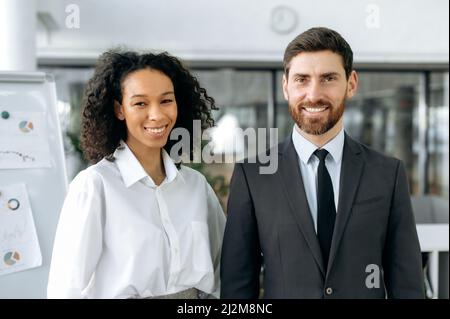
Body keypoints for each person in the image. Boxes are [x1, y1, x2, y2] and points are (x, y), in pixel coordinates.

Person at [220, 27, 424, 299]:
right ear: (286, 87)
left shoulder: (388, 174)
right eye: (302, 80)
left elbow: (407, 282)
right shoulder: (252, 176)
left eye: (328, 78)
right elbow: (237, 286)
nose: (313, 94)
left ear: (351, 83)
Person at [47, 50, 226, 299]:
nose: (157, 115)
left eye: (166, 101)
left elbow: (221, 272)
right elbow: (66, 290)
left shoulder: (196, 186)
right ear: (120, 109)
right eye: (140, 103)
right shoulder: (95, 186)